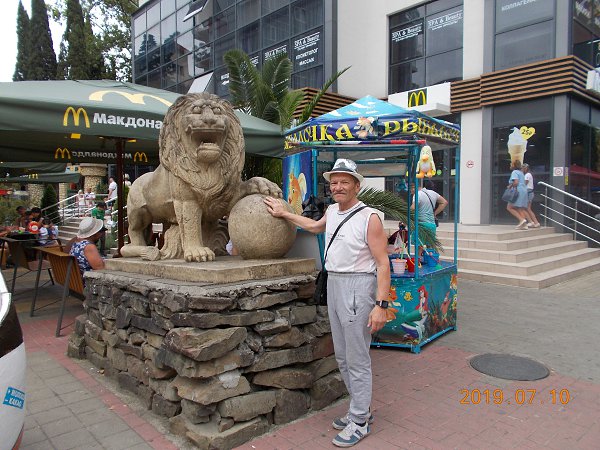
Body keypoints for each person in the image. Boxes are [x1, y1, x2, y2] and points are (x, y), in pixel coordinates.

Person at [264, 158, 389, 448]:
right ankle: (360, 408)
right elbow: (314, 226)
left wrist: (381, 305)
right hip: (334, 284)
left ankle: (359, 421)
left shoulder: (369, 217)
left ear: (357, 186)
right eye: (334, 182)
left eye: (345, 181)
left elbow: (383, 263)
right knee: (343, 356)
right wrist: (284, 213)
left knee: (357, 357)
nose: (338, 186)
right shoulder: (332, 211)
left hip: (358, 286)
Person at [410, 181, 448, 257]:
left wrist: (404, 218)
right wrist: (435, 213)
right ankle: (429, 261)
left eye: (410, 188)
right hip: (431, 225)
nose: (410, 191)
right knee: (429, 247)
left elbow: (412, 209)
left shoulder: (417, 194)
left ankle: (418, 262)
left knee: (419, 247)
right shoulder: (433, 193)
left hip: (421, 225)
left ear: (414, 187)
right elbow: (444, 202)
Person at [506, 160, 531, 229]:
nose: (510, 165)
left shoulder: (514, 172)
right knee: (520, 208)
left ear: (514, 165)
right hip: (524, 191)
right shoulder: (521, 172)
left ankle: (521, 219)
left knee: (509, 207)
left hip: (518, 191)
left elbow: (516, 182)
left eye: (511, 164)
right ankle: (524, 225)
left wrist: (510, 186)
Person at [521, 163, 540, 228]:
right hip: (530, 192)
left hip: (528, 192)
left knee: (523, 208)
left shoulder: (527, 175)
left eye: (523, 168)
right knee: (528, 208)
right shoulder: (529, 174)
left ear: (525, 168)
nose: (522, 170)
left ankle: (531, 222)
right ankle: (535, 222)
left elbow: (524, 184)